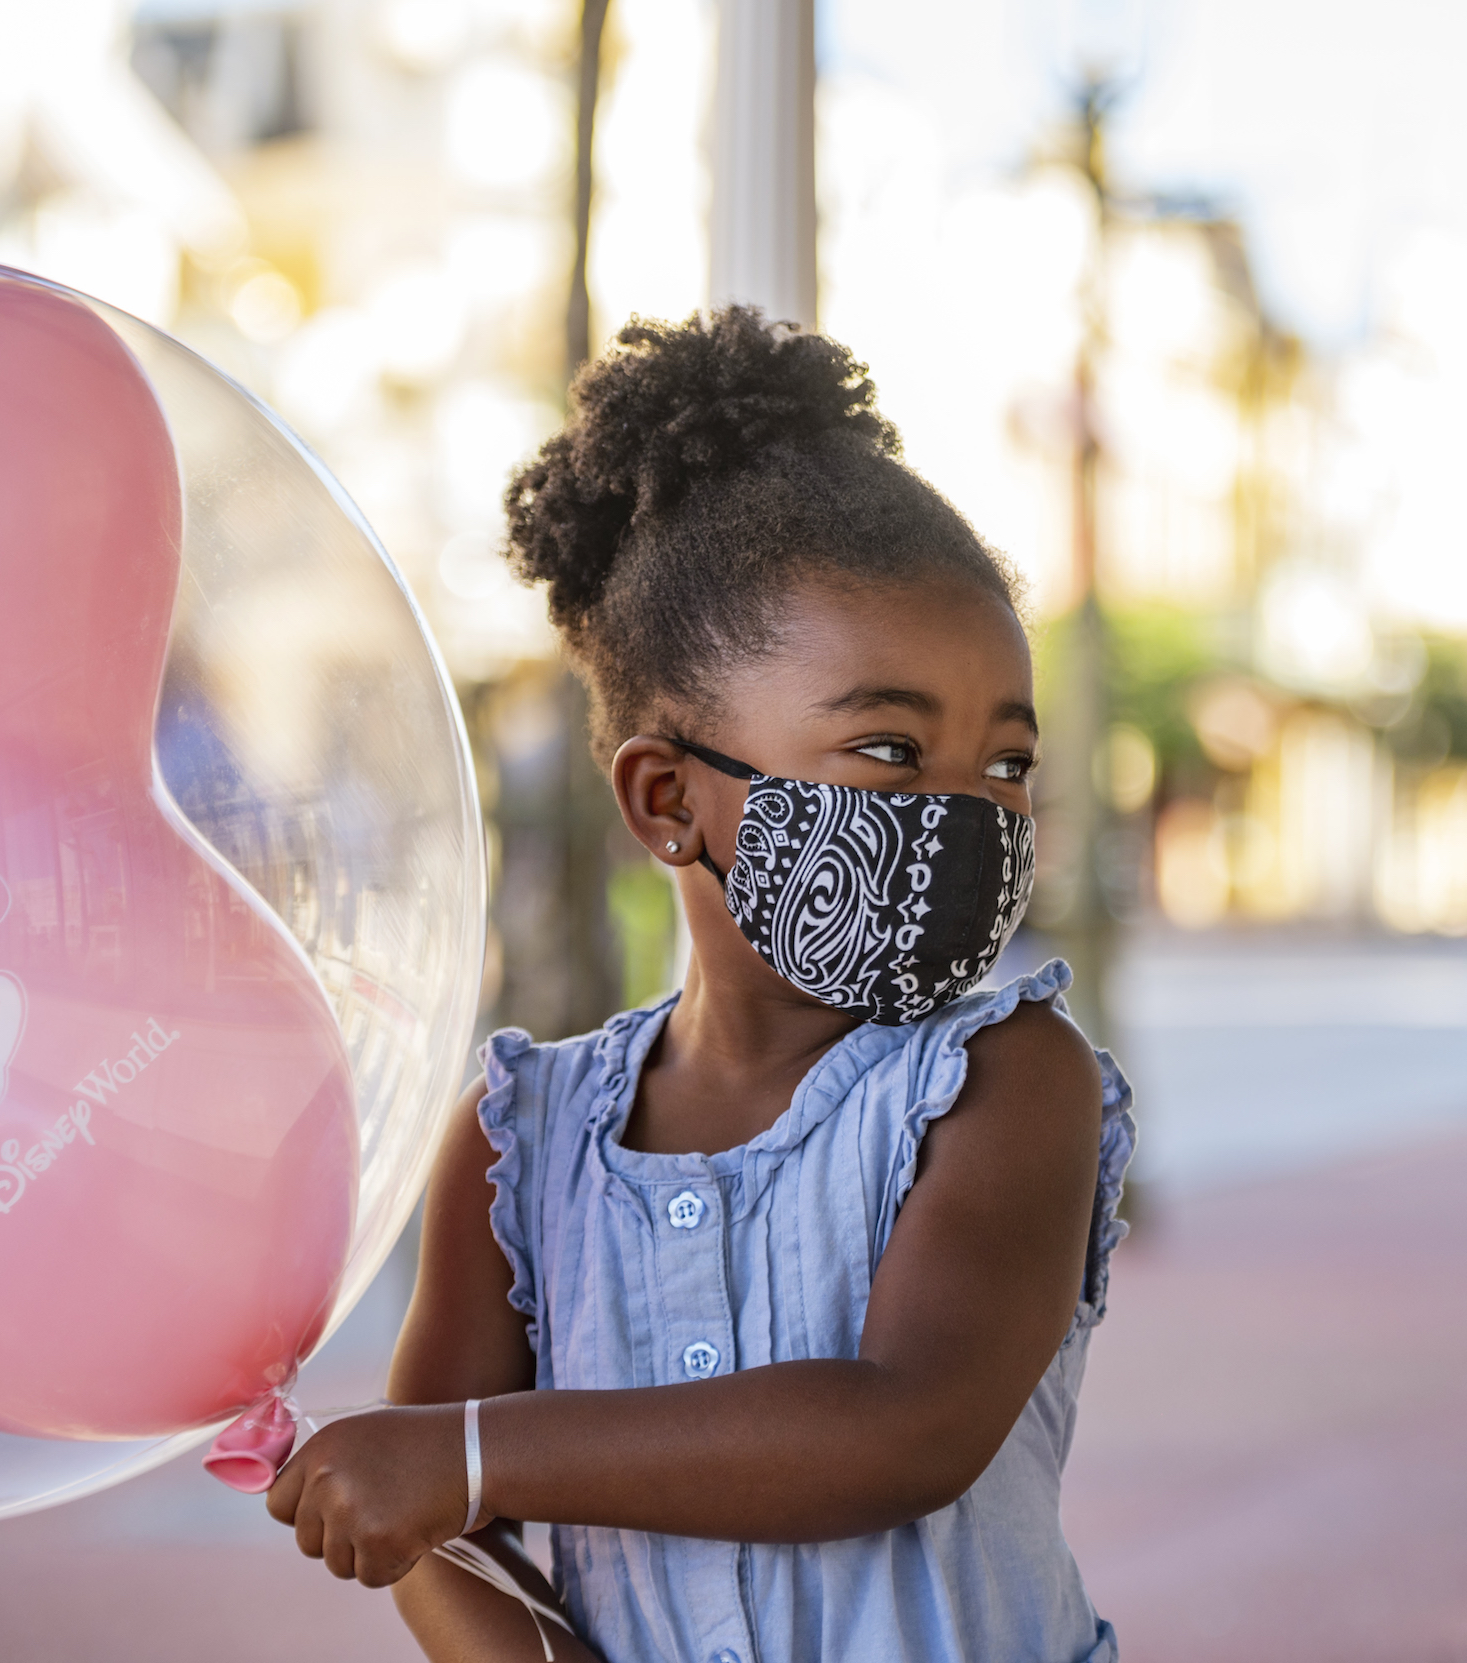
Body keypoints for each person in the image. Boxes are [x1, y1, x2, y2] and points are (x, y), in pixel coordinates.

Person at [265, 308, 1135, 1663]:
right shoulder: (517, 1149)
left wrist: (478, 1455)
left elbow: (906, 1426)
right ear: (669, 799)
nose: (967, 811)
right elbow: (443, 1533)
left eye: (1005, 764)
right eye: (893, 753)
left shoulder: (1009, 1082)